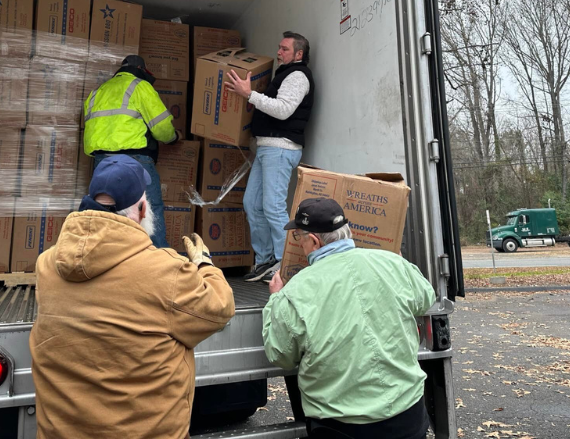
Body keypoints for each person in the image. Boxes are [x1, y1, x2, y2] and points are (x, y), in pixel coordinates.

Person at [30, 154, 235, 439]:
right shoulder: (165, 271)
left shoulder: (47, 264)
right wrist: (204, 265)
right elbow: (219, 308)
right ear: (141, 210)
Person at [262, 198, 436, 439]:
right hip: (408, 416)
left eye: (298, 237)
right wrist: (399, 262)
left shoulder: (294, 292)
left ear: (313, 240)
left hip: (341, 427)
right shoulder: (393, 264)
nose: (298, 244)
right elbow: (426, 298)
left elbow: (281, 355)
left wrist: (275, 301)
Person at [224, 31, 314, 283]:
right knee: (252, 204)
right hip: (268, 147)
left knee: (273, 207)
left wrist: (249, 94)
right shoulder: (283, 74)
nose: (278, 52)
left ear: (298, 54)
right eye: (279, 47)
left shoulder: (298, 76)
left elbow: (284, 110)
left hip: (281, 148)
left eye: (284, 49)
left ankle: (285, 262)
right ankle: (265, 260)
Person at [83, 54, 180, 249]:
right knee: (148, 209)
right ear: (142, 71)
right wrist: (174, 137)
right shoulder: (140, 87)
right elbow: (161, 128)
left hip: (102, 161)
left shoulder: (98, 91)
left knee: (106, 213)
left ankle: (106, 258)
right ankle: (158, 260)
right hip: (135, 159)